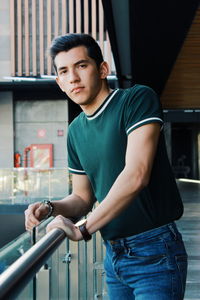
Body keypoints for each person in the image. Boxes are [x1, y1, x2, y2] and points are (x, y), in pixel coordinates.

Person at [25, 33, 188, 299]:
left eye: (81, 65)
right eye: (64, 71)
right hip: (113, 254)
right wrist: (50, 207)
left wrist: (83, 229)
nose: (73, 78)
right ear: (59, 82)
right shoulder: (75, 130)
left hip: (156, 251)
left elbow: (136, 175)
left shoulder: (136, 100)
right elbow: (82, 198)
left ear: (102, 69)